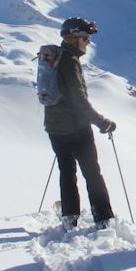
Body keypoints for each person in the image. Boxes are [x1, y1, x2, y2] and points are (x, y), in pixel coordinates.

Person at [44, 17, 117, 229]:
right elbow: (79, 99)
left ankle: (70, 217)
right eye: (85, 38)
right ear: (71, 38)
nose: (88, 42)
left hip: (55, 128)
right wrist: (101, 122)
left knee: (67, 172)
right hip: (76, 128)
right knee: (92, 173)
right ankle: (103, 218)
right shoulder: (70, 61)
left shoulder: (56, 58)